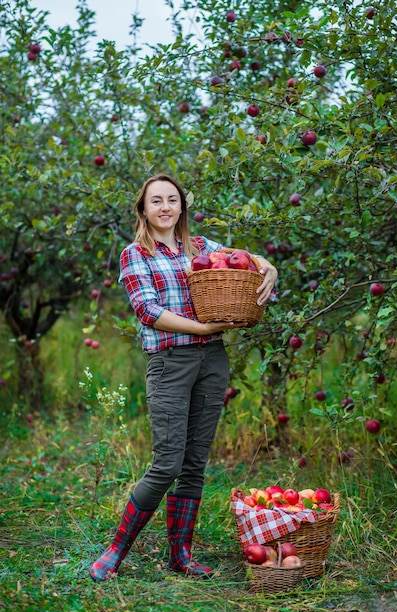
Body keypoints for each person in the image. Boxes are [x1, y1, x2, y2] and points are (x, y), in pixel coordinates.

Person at [89, 173, 277, 581]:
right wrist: (204, 329)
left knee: (194, 464)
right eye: (156, 201)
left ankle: (181, 556)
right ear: (143, 209)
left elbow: (245, 262)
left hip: (212, 362)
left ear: (182, 207)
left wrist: (269, 267)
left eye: (172, 200)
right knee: (167, 463)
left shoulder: (201, 248)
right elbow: (148, 311)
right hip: (171, 362)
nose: (165, 207)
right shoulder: (134, 253)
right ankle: (116, 550)